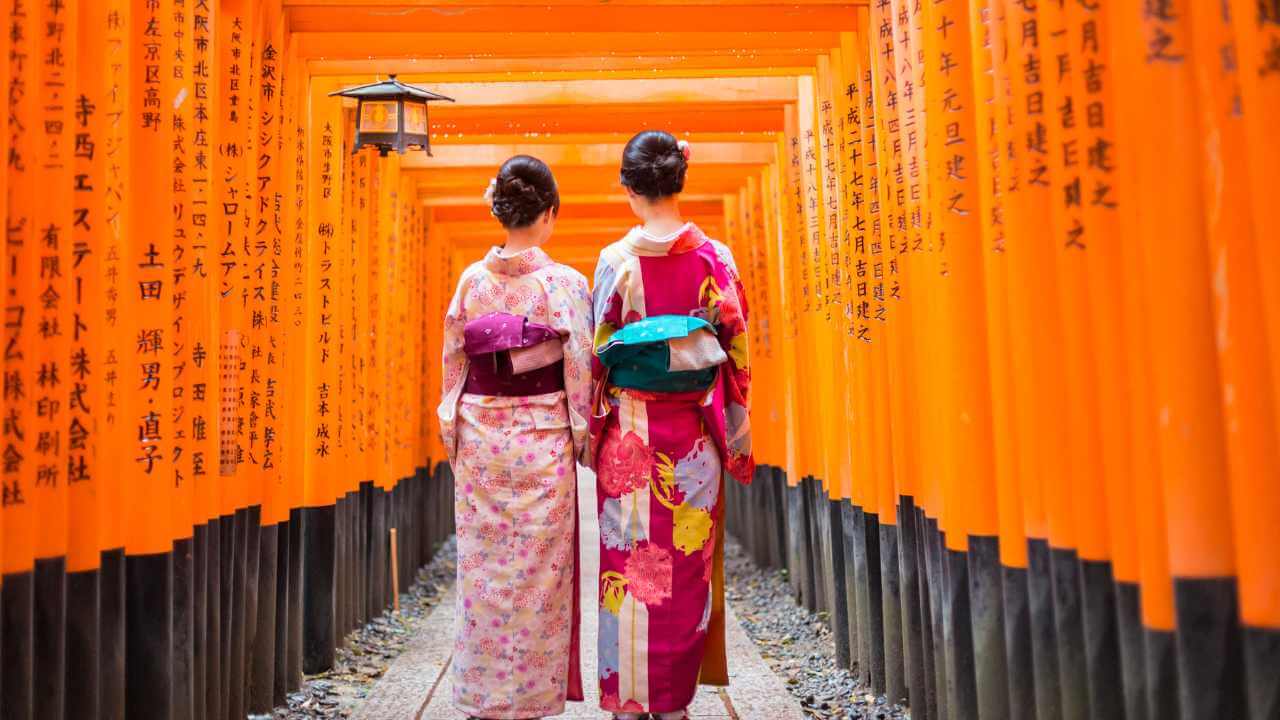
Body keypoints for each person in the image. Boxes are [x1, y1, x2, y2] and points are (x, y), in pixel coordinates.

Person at [589, 131, 754, 720]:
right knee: (684, 571)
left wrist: (592, 435)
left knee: (628, 568)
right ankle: (673, 704)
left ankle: (629, 700)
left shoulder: (615, 262)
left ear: (630, 188)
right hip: (690, 447)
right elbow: (736, 356)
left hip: (630, 440)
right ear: (680, 180)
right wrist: (734, 435)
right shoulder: (717, 259)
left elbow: (596, 355)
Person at [438, 155, 593, 720]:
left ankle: (483, 697)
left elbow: (453, 365)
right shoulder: (566, 284)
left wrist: (452, 429)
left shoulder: (470, 283)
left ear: (500, 211)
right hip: (542, 441)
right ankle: (531, 698)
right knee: (538, 572)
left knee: (483, 572)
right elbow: (579, 370)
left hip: (481, 438)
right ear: (550, 214)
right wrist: (583, 437)